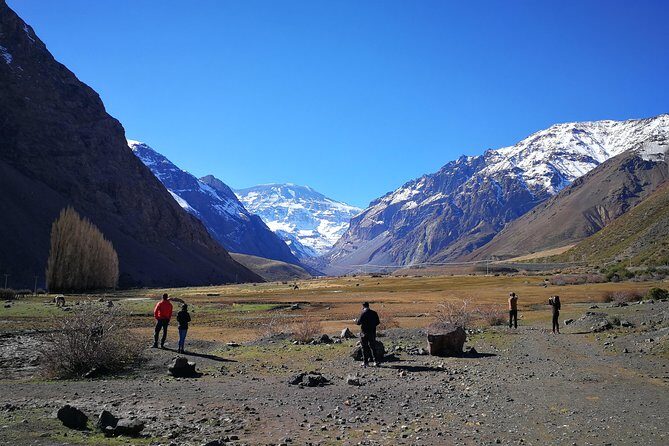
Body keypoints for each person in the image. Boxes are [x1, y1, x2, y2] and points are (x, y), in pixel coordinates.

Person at [355, 302, 381, 367]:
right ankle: (376, 361)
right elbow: (378, 322)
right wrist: (372, 326)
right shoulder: (374, 313)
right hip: (372, 332)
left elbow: (358, 323)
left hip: (364, 333)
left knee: (364, 347)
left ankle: (365, 362)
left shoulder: (363, 313)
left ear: (363, 306)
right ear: (368, 306)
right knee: (373, 347)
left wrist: (355, 321)